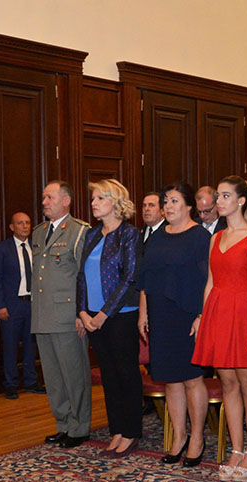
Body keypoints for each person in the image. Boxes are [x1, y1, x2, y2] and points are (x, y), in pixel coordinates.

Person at [191, 175, 247, 481]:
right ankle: (236, 449)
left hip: (246, 313)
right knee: (227, 383)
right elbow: (210, 283)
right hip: (219, 313)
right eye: (218, 195)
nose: (219, 201)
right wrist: (203, 316)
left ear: (241, 200)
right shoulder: (215, 238)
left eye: (225, 196)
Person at [138, 182, 211, 467]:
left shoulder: (199, 237)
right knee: (170, 379)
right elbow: (145, 279)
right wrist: (144, 313)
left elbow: (209, 283)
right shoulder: (157, 236)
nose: (168, 207)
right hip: (160, 313)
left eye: (174, 201)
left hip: (188, 314)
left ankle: (197, 437)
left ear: (189, 205)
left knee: (192, 378)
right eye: (165, 202)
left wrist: (202, 315)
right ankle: (178, 436)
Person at [77, 179, 142, 458]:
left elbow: (130, 278)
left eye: (100, 198)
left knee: (126, 374)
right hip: (92, 317)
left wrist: (104, 313)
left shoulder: (129, 234)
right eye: (93, 198)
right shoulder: (92, 235)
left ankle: (130, 432)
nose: (94, 203)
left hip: (119, 316)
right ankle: (116, 430)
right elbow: (80, 276)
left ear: (116, 203)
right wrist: (82, 312)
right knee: (109, 377)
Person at [32, 180, 91, 448]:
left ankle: (79, 428)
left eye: (50, 197)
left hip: (68, 315)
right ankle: (64, 423)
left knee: (74, 374)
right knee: (54, 377)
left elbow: (85, 276)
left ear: (66, 200)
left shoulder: (79, 232)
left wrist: (82, 312)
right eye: (43, 198)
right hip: (42, 314)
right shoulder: (38, 232)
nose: (44, 202)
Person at [0, 212, 43, 399]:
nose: (25, 226)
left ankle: (31, 382)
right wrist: (0, 306)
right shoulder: (2, 248)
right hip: (11, 306)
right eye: (20, 223)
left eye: (28, 222)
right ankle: (10, 384)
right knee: (10, 346)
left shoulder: (36, 248)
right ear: (12, 227)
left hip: (32, 304)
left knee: (31, 345)